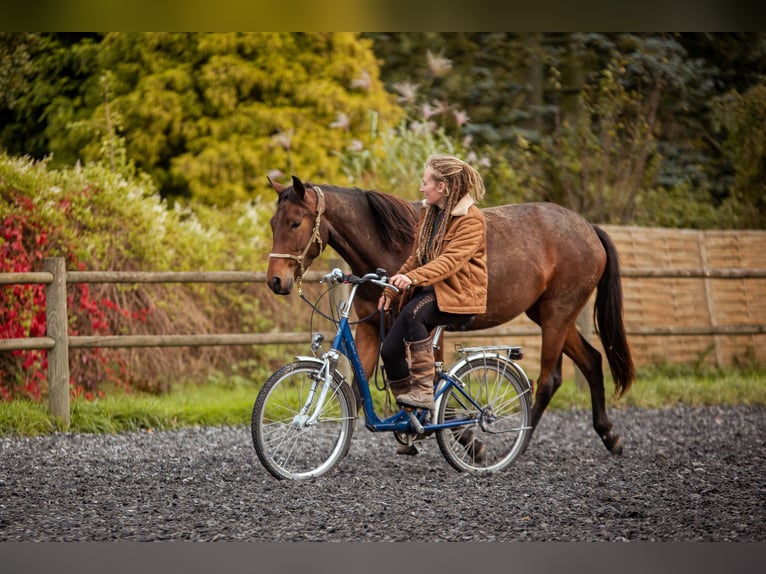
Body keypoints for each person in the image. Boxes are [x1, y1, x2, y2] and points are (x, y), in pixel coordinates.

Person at [378, 154, 488, 413]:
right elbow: (417, 257)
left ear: (443, 187)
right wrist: (392, 289)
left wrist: (412, 278)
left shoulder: (471, 219)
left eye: (425, 182)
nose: (420, 188)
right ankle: (411, 416)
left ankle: (424, 393)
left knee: (413, 315)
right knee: (390, 349)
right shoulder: (430, 213)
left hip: (459, 293)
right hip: (433, 290)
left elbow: (450, 261)